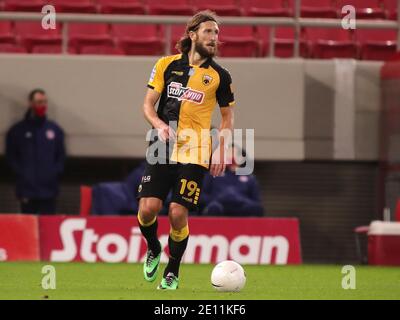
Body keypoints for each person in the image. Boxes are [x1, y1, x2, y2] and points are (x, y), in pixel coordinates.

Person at [137, 11, 235, 290]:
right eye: (208, 32)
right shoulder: (165, 65)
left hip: (196, 149)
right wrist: (157, 123)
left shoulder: (220, 76)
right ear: (192, 35)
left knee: (178, 213)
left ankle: (173, 271)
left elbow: (227, 118)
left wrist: (220, 150)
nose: (214, 38)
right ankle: (154, 246)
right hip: (162, 146)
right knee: (148, 209)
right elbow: (147, 104)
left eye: (216, 33)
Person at [5, 88, 65, 214]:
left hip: (49, 190)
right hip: (27, 190)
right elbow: (11, 157)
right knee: (28, 225)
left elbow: (61, 156)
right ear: (31, 103)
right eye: (39, 102)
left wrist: (53, 172)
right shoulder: (17, 130)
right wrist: (23, 173)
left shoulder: (54, 130)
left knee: (48, 225)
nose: (42, 105)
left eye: (44, 102)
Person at [201, 145, 264, 217]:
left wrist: (241, 200)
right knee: (214, 207)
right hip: (219, 206)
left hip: (241, 207)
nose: (231, 156)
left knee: (255, 209)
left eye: (233, 153)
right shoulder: (212, 174)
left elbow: (256, 200)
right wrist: (216, 199)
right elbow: (203, 196)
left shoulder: (250, 178)